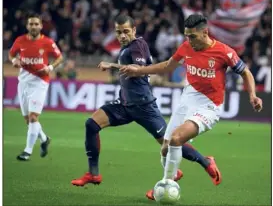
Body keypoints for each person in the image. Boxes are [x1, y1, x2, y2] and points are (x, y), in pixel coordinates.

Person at [120, 14, 263, 200]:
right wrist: (139, 70)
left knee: (176, 138)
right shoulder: (187, 46)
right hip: (187, 99)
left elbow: (246, 72)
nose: (189, 40)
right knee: (164, 148)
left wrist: (252, 95)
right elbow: (167, 66)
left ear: (205, 32)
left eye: (193, 36)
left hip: (209, 106)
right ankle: (194, 166)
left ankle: (166, 184)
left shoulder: (224, 52)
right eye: (186, 35)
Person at [71, 15, 221, 188]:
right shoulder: (127, 47)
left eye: (126, 31)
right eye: (118, 32)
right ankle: (93, 174)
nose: (122, 36)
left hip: (144, 106)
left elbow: (138, 69)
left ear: (134, 30)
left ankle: (206, 162)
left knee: (171, 142)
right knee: (91, 125)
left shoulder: (138, 47)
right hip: (125, 104)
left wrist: (112, 66)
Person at [9, 14, 63, 161]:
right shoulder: (20, 40)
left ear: (40, 26)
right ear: (27, 26)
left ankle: (27, 151)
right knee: (28, 120)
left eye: (36, 24)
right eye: (31, 24)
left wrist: (50, 67)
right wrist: (14, 59)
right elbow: (11, 54)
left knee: (33, 117)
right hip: (23, 82)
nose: (33, 26)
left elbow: (59, 57)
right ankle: (44, 139)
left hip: (40, 82)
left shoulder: (47, 42)